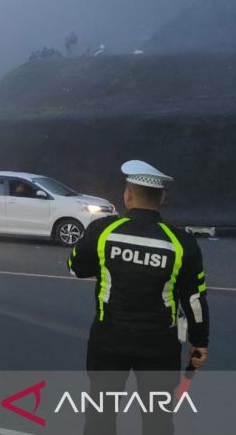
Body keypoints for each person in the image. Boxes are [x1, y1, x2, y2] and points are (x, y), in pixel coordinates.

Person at [68, 160, 209, 435]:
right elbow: (194, 300)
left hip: (108, 341)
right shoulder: (182, 243)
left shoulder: (102, 231)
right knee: (158, 421)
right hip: (160, 346)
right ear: (162, 198)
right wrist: (199, 343)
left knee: (100, 417)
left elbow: (76, 268)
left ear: (127, 195)